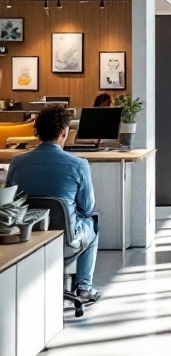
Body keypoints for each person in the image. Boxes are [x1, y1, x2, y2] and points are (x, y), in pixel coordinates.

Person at [6, 104, 101, 304]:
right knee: (92, 221)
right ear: (63, 132)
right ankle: (84, 287)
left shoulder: (17, 162)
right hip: (66, 241)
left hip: (28, 236)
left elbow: (10, 203)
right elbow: (87, 207)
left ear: (37, 132)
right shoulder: (78, 164)